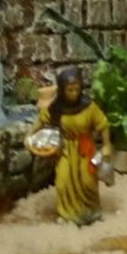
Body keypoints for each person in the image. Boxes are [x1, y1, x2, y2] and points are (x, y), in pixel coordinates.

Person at [25, 67, 113, 226]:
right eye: (69, 90)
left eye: (76, 89)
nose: (73, 93)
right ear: (62, 89)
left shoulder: (89, 107)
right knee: (63, 181)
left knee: (88, 182)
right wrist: (29, 135)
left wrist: (107, 145)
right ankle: (67, 214)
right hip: (66, 148)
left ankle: (91, 211)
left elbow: (103, 124)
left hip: (85, 147)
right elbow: (42, 120)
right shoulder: (56, 107)